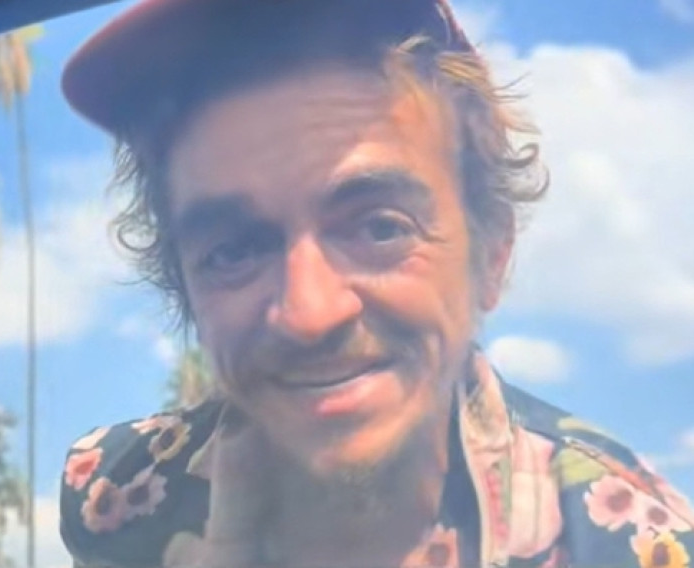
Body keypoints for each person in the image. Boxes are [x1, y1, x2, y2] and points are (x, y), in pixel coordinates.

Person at [58, 1, 694, 566]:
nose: (308, 312)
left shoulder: (629, 541)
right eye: (234, 251)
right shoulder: (115, 499)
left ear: (492, 254)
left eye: (380, 227)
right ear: (186, 289)